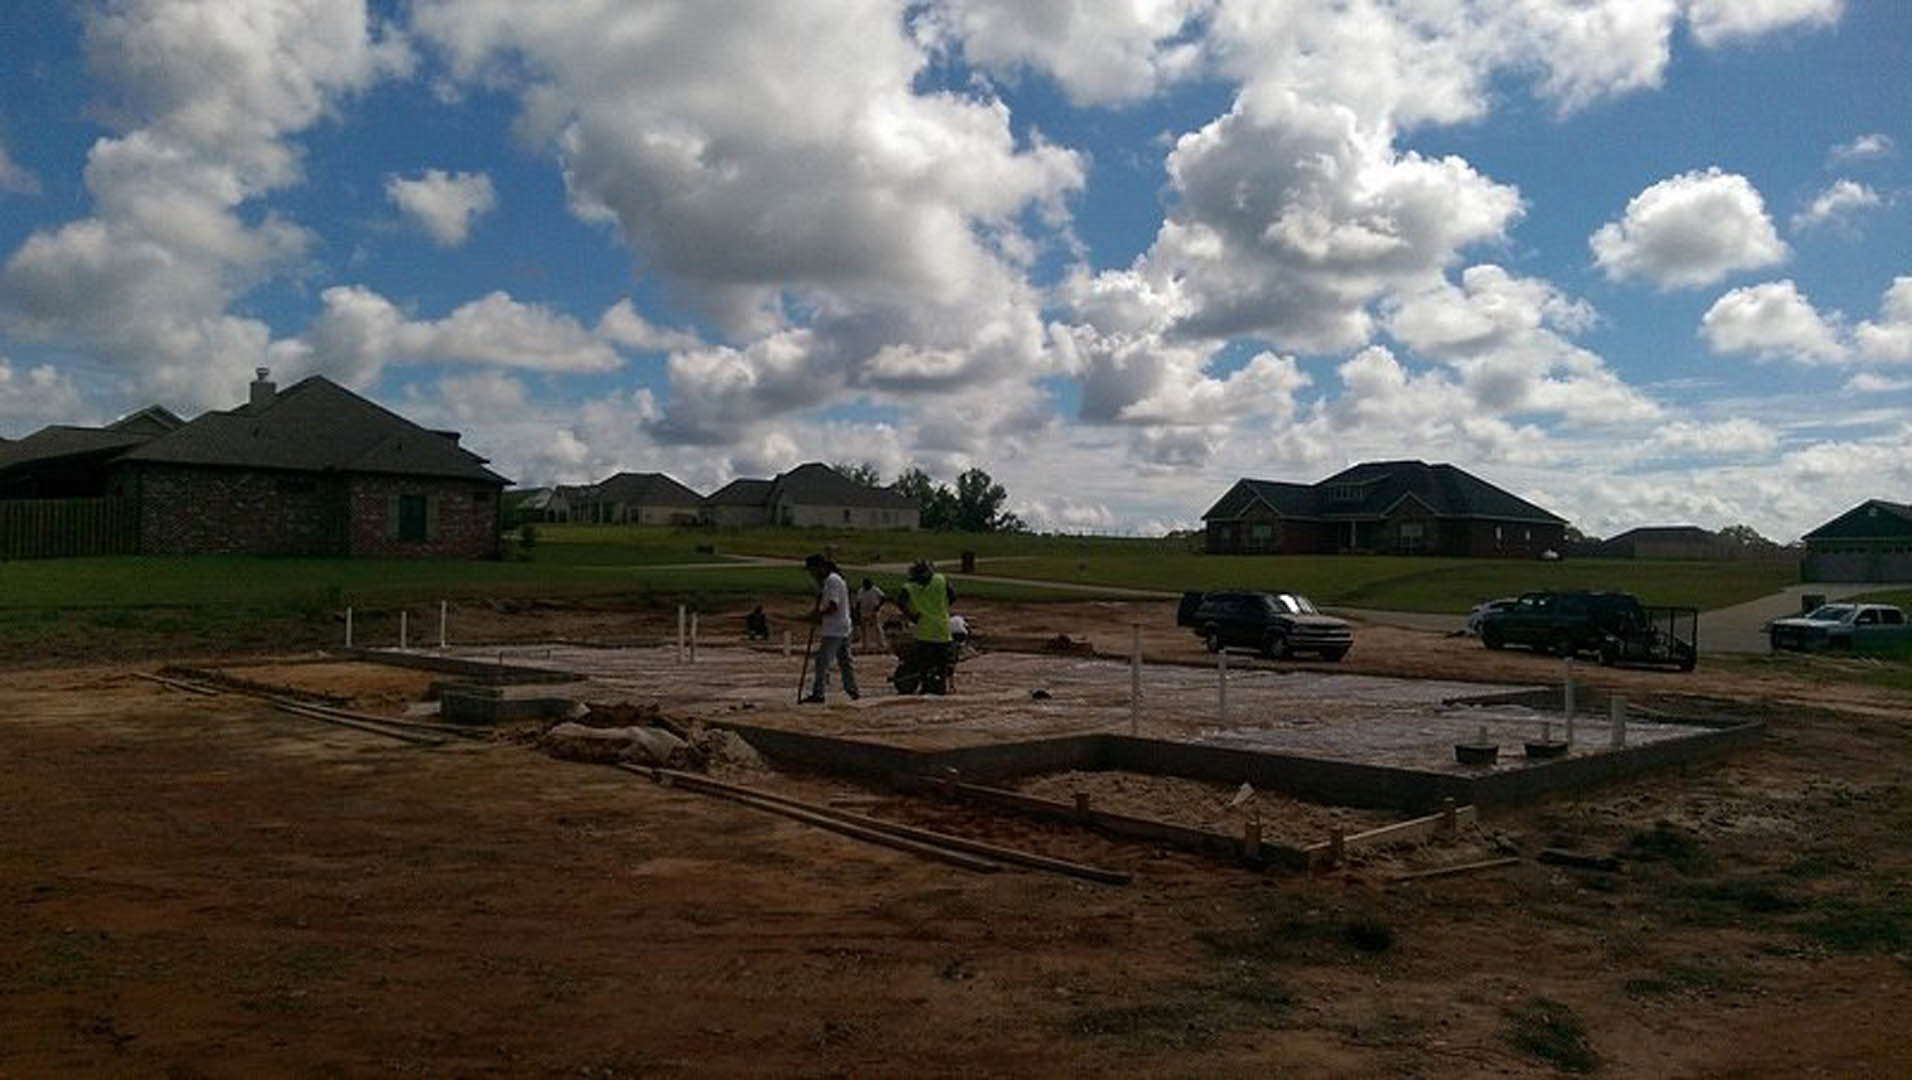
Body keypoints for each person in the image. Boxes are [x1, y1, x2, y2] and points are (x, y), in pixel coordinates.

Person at [894, 559, 956, 694]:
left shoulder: (909, 587)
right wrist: (942, 607)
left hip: (924, 632)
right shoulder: (941, 580)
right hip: (942, 631)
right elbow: (952, 596)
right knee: (942, 667)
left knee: (924, 667)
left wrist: (913, 616)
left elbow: (900, 603)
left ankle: (926, 689)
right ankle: (940, 690)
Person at [801, 554, 858, 703]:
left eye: (813, 570)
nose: (812, 575)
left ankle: (819, 693)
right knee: (845, 662)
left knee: (822, 661)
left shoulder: (832, 581)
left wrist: (818, 615)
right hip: (842, 626)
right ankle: (853, 690)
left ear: (820, 568)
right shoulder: (832, 580)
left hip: (835, 628)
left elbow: (833, 606)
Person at [854, 577, 887, 650]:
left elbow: (883, 598)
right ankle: (865, 644)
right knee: (863, 628)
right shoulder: (861, 591)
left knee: (877, 627)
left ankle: (881, 643)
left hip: (873, 610)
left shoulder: (875, 590)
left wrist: (878, 606)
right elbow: (858, 602)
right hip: (864, 611)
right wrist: (856, 611)